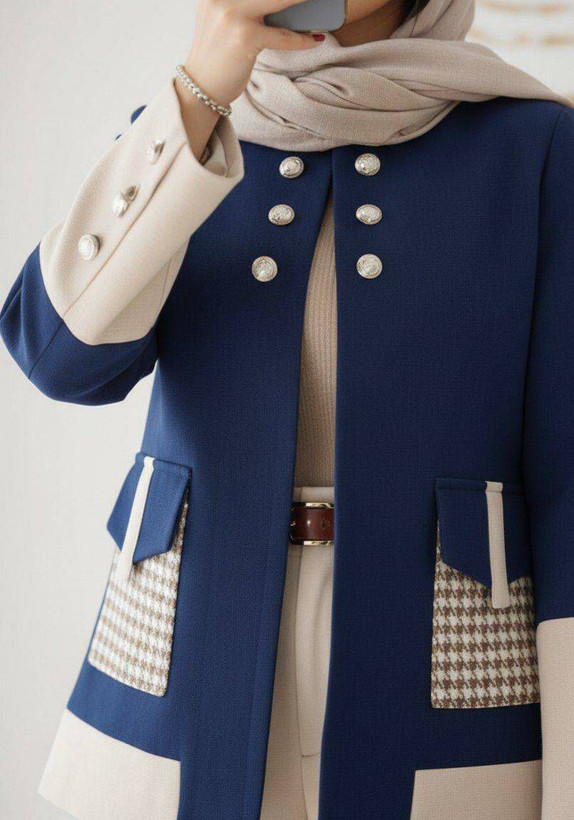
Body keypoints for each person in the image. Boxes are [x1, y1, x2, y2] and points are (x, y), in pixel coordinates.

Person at [2, 0, 573, 817]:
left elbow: (566, 485)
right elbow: (59, 358)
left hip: (448, 669)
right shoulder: (189, 131)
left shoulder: (535, 148)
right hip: (188, 660)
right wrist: (198, 92)